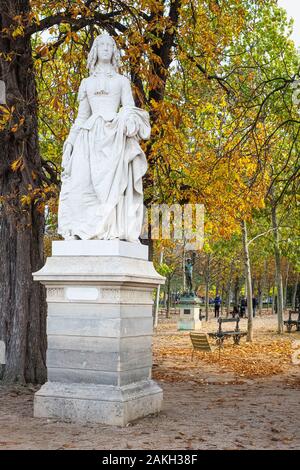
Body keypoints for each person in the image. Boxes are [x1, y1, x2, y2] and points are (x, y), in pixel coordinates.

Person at [58, 33, 150, 241]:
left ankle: (110, 229)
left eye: (110, 45)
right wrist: (70, 142)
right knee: (80, 183)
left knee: (112, 189)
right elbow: (81, 117)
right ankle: (80, 230)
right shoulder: (87, 83)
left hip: (114, 137)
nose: (106, 48)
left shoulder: (121, 81)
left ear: (114, 51)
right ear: (96, 50)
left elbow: (128, 108)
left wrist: (127, 120)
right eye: (102, 45)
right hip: (89, 138)